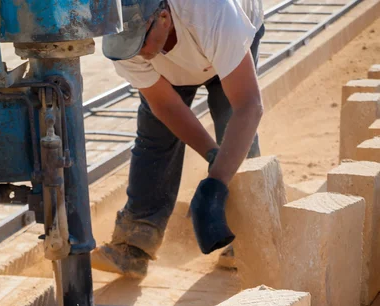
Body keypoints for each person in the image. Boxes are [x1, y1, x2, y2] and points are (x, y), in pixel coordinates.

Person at [92, 0, 265, 278]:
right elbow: (167, 108)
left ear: (163, 18)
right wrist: (212, 154)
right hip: (182, 51)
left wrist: (215, 185)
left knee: (230, 118)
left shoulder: (212, 12)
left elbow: (249, 106)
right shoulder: (127, 40)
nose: (135, 54)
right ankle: (136, 242)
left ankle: (247, 236)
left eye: (139, 43)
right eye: (126, 45)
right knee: (155, 135)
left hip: (223, 39)